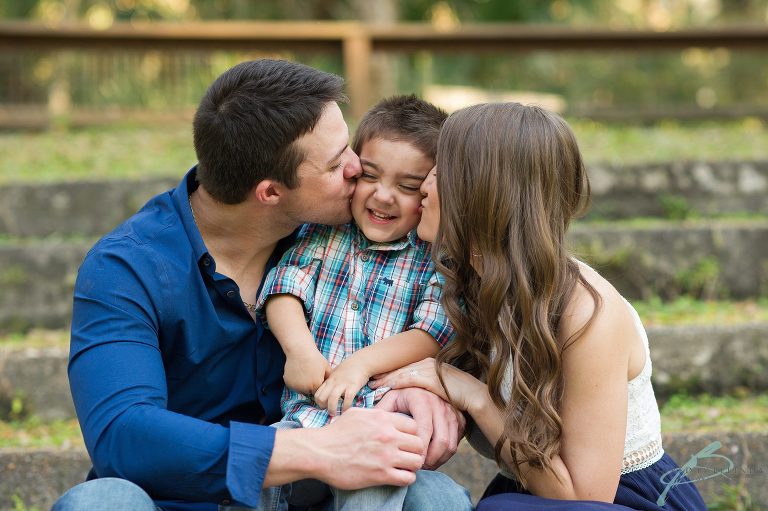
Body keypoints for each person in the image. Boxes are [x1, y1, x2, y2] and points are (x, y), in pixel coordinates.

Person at [52, 59, 470, 511]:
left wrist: (421, 384)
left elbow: (427, 317)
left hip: (317, 499)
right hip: (181, 501)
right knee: (102, 502)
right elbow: (123, 433)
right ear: (270, 192)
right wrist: (317, 450)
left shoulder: (343, 236)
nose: (357, 169)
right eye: (337, 164)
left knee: (435, 496)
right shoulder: (127, 267)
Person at [372, 102, 708, 510]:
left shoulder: (586, 314)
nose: (424, 187)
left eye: (440, 174)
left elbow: (587, 498)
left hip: (624, 499)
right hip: (530, 488)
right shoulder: (465, 283)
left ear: (483, 194)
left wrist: (474, 396)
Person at [256, 95, 454, 510]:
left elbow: (432, 331)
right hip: (304, 423)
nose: (383, 196)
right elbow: (284, 287)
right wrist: (299, 351)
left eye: (408, 186)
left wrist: (361, 364)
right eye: (370, 176)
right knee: (255, 472)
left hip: (383, 423)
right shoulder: (325, 233)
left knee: (377, 481)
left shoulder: (431, 256)